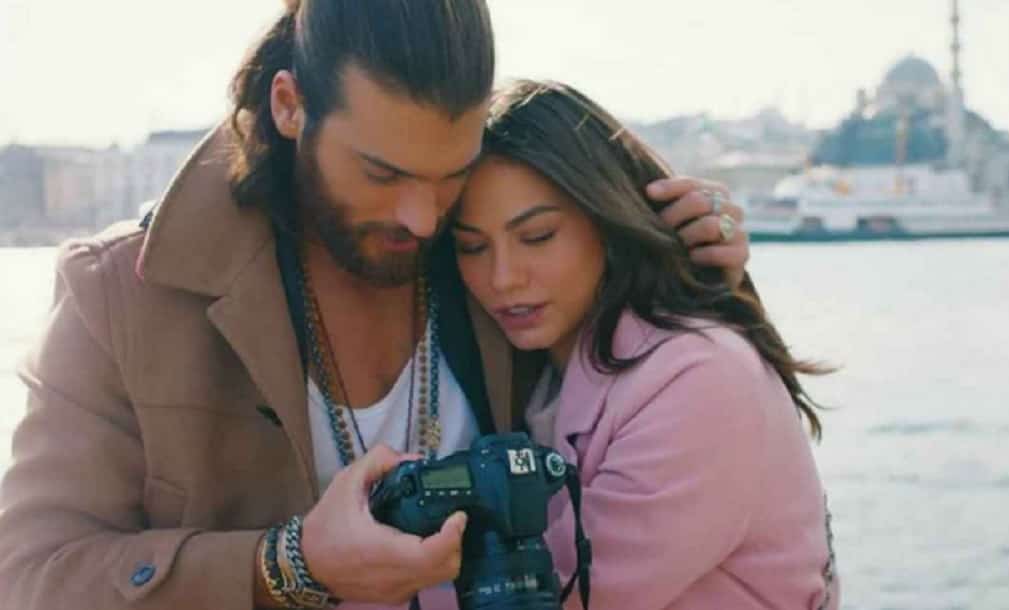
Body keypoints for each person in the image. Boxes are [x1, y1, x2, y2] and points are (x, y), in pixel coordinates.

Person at [0, 2, 751, 609]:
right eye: (382, 174)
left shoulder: (486, 259)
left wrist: (693, 260)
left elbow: (681, 407)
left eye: (450, 174)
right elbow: (30, 579)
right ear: (290, 107)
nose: (423, 219)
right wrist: (287, 566)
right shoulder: (120, 297)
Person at [450, 79, 838, 609]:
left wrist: (331, 575)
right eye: (471, 247)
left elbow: (557, 593)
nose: (502, 278)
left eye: (537, 237)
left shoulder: (699, 379)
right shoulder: (533, 377)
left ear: (607, 219)